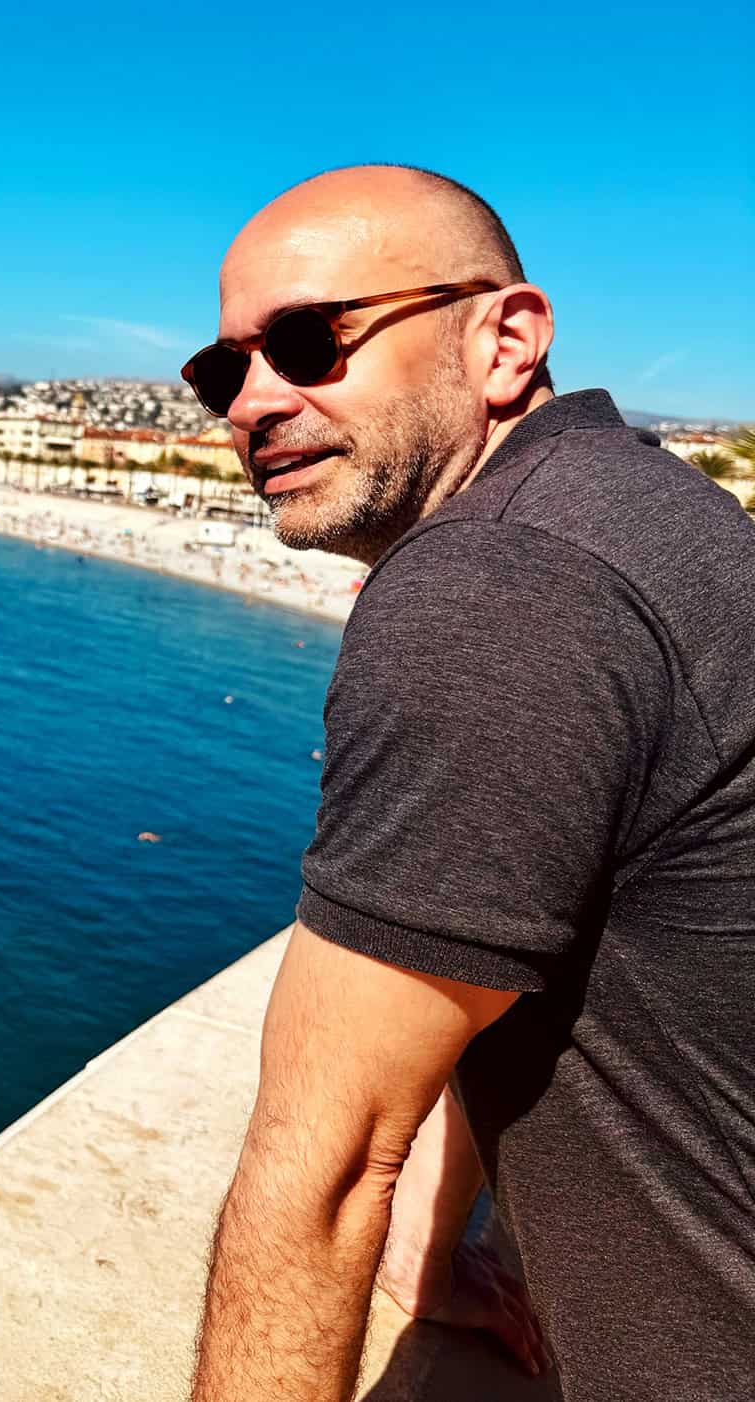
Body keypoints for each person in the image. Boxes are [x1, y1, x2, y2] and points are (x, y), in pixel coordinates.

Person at [185, 165, 755, 1402]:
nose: (253, 403)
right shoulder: (631, 505)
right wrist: (427, 1252)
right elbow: (483, 934)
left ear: (506, 340)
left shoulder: (497, 586)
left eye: (309, 341)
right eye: (224, 371)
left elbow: (329, 1163)